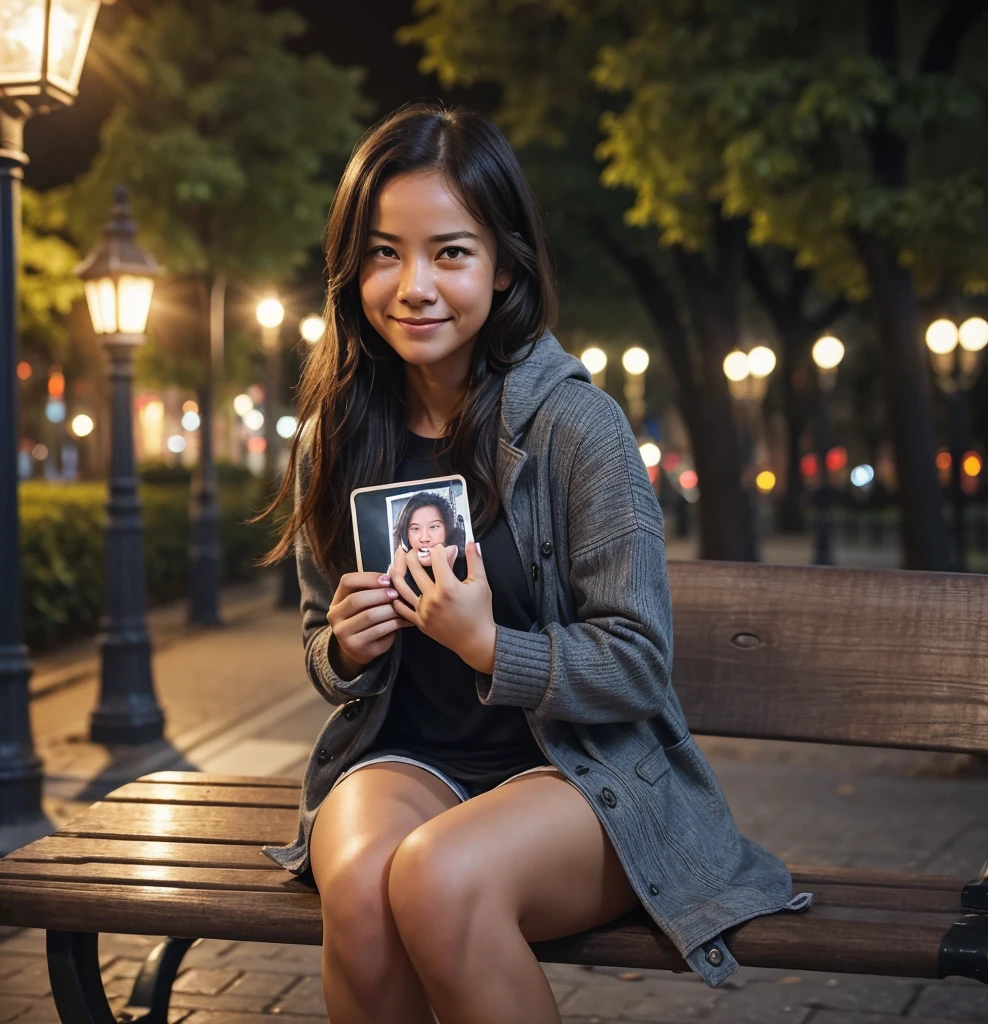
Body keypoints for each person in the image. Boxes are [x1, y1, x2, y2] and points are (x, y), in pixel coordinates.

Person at [259, 102, 803, 1024]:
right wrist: (345, 651)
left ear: (505, 264)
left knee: (435, 878)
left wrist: (488, 646)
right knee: (357, 887)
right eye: (384, 252)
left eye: (452, 252)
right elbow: (322, 645)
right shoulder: (336, 434)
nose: (413, 285)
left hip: (577, 779)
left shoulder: (575, 428)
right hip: (404, 761)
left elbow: (637, 662)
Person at [392, 490, 460, 570]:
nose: (424, 538)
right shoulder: (398, 573)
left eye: (433, 527)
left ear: (447, 529)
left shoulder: (468, 568)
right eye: (416, 528)